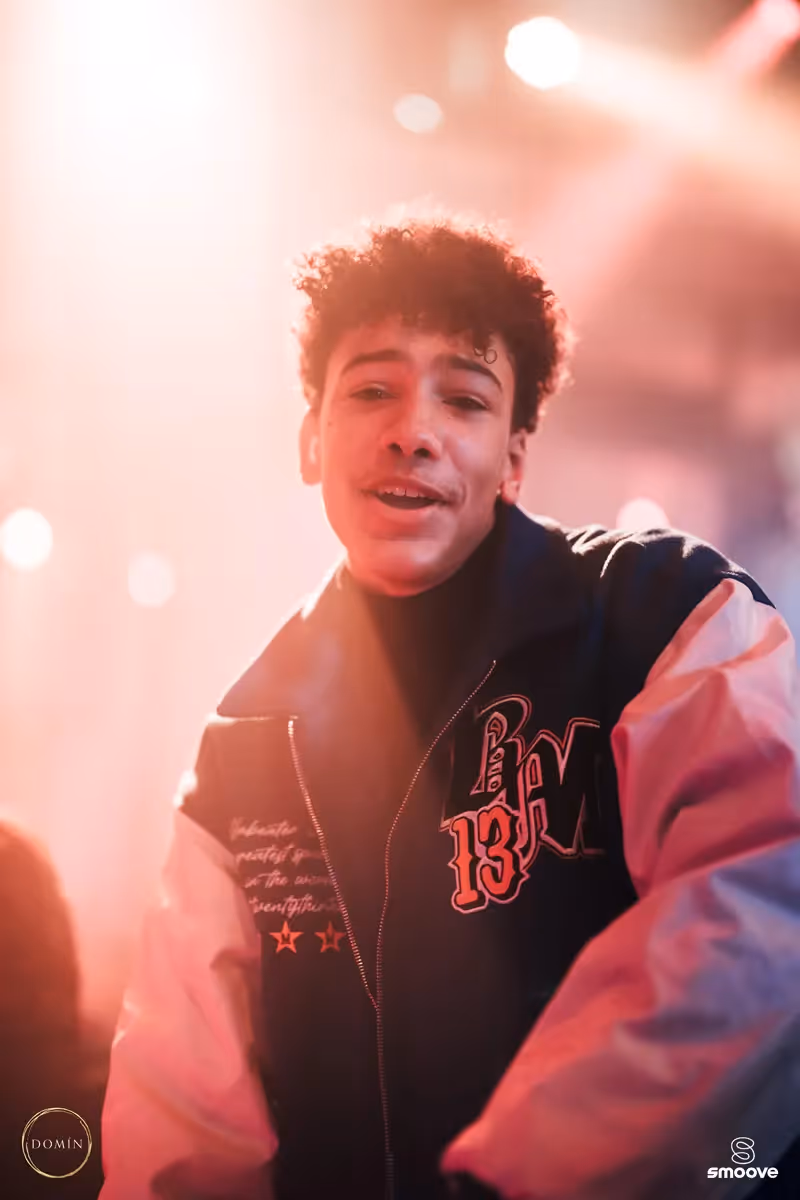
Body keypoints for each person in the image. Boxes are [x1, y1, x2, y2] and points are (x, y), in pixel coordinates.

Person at [100, 218, 800, 1200]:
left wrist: (520, 1181)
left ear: (514, 459)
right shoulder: (246, 742)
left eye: (463, 400)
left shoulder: (665, 614)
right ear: (310, 440)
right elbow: (182, 1109)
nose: (413, 432)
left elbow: (758, 916)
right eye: (371, 391)